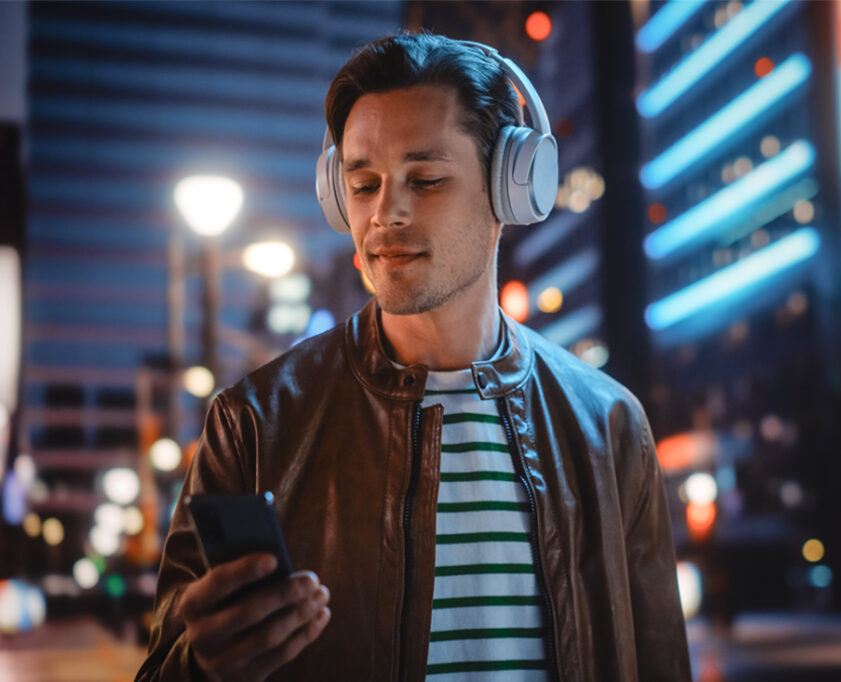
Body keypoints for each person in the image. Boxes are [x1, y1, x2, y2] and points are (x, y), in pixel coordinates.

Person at [137, 33, 690, 682]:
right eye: (362, 184)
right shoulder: (254, 424)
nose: (385, 214)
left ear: (511, 187)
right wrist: (202, 668)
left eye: (425, 180)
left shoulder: (609, 426)